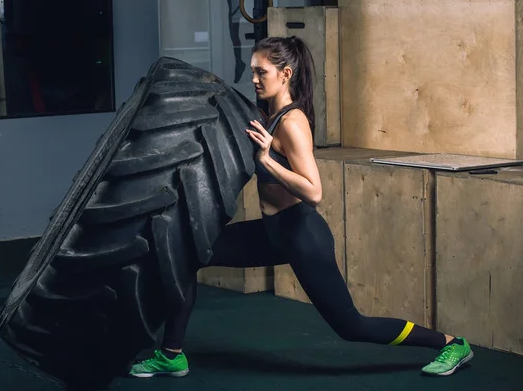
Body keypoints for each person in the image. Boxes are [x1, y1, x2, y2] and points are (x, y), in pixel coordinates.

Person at [128, 36, 474, 379]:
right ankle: (171, 354)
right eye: (252, 71)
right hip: (270, 232)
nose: (253, 79)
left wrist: (266, 159)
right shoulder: (267, 115)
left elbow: (314, 191)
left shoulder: (293, 124)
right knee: (190, 254)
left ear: (286, 74)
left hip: (302, 234)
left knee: (352, 325)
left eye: (261, 72)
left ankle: (451, 343)